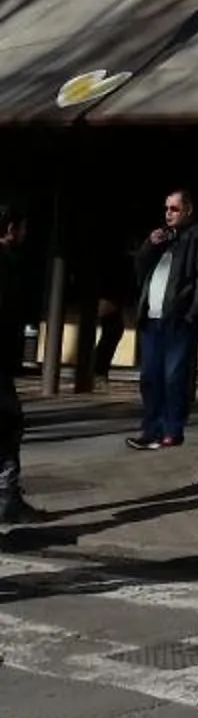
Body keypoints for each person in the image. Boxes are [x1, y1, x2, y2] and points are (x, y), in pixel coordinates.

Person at [128, 187, 198, 452]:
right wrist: (149, 246)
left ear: (188, 210)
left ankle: (171, 429)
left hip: (179, 319)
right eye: (166, 208)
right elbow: (140, 270)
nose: (168, 214)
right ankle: (151, 430)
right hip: (152, 318)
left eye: (174, 209)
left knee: (173, 376)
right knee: (150, 377)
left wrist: (193, 313)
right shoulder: (164, 239)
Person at [0, 202, 40, 527]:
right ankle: (7, 498)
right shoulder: (7, 264)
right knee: (10, 425)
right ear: (11, 229)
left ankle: (8, 497)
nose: (25, 234)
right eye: (22, 228)